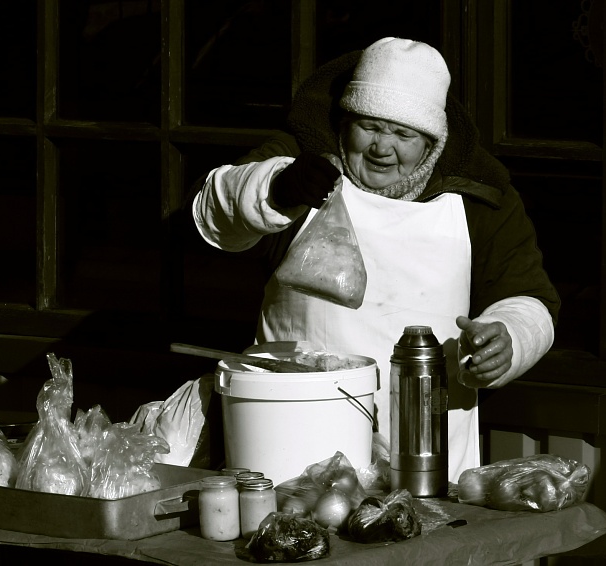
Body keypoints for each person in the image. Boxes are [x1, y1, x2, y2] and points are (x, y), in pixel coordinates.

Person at [190, 37, 560, 481]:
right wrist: (276, 189)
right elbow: (214, 211)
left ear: (432, 141)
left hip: (424, 447)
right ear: (346, 121)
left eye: (403, 135)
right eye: (369, 126)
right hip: (294, 432)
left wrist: (509, 338)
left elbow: (527, 296)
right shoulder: (304, 164)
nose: (382, 148)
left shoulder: (479, 198)